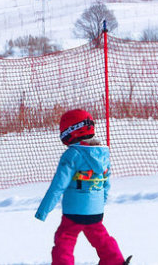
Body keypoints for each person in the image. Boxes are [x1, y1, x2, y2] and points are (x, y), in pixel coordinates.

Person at [35, 109, 130, 265]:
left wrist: (43, 211)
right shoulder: (103, 153)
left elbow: (58, 186)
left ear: (71, 131)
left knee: (65, 238)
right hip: (95, 210)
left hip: (74, 210)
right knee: (99, 236)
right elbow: (106, 182)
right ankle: (115, 261)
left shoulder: (72, 155)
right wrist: (100, 203)